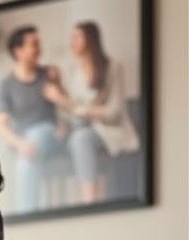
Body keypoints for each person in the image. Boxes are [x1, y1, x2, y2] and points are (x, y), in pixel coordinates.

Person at [44, 21, 140, 203]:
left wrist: (75, 106)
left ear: (90, 39)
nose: (72, 42)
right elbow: (73, 113)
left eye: (77, 37)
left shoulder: (113, 67)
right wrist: (60, 94)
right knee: (75, 137)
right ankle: (88, 198)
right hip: (83, 129)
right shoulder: (72, 71)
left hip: (111, 131)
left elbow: (115, 111)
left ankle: (90, 199)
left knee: (80, 138)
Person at [0, 25, 64, 213]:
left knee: (37, 135)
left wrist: (58, 86)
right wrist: (20, 144)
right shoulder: (7, 85)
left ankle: (26, 212)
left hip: (50, 135)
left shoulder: (49, 75)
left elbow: (66, 107)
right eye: (34, 44)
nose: (39, 49)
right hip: (24, 141)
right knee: (7, 150)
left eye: (39, 44)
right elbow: (1, 125)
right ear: (18, 51)